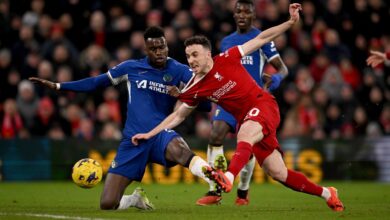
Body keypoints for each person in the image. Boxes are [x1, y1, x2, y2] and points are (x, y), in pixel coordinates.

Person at [132, 4, 345, 212]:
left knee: (244, 133)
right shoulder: (195, 86)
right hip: (248, 118)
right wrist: (150, 134)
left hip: (263, 104)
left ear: (208, 54)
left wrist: (290, 22)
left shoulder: (229, 56)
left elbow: (262, 38)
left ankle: (229, 178)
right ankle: (328, 193)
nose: (191, 60)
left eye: (195, 55)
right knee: (278, 173)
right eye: (188, 56)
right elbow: (178, 115)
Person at [30, 26, 214, 211]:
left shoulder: (179, 70)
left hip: (159, 134)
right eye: (154, 48)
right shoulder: (131, 68)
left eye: (162, 47)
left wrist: (182, 94)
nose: (159, 52)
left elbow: (205, 105)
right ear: (146, 50)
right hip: (133, 140)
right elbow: (96, 82)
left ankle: (216, 182)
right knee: (108, 204)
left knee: (180, 150)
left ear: (167, 46)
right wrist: (58, 86)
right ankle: (135, 199)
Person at [197, 0, 289, 206]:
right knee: (215, 134)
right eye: (238, 11)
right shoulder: (226, 41)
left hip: (251, 101)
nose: (242, 15)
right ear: (234, 14)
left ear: (253, 16)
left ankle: (243, 192)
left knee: (246, 147)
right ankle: (215, 189)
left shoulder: (262, 38)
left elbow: (283, 68)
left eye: (247, 12)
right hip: (228, 99)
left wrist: (276, 79)